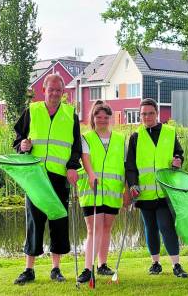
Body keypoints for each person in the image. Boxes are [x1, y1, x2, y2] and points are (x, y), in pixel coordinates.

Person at [13, 73, 82, 285]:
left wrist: (72, 167)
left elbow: (76, 148)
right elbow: (18, 141)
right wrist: (22, 146)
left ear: (63, 92)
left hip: (60, 177)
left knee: (58, 220)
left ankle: (56, 269)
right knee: (34, 221)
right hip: (35, 177)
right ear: (43, 90)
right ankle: (29, 269)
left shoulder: (71, 115)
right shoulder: (31, 111)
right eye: (50, 89)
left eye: (58, 90)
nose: (54, 93)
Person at [125, 98, 188, 278]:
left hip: (164, 191)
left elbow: (179, 153)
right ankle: (155, 263)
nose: (147, 117)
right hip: (144, 193)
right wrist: (133, 185)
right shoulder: (135, 137)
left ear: (157, 113)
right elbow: (130, 166)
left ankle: (176, 265)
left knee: (166, 226)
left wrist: (178, 160)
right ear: (140, 115)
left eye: (150, 113)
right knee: (150, 228)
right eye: (143, 114)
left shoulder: (169, 132)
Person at [76, 100, 126, 284]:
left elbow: (126, 164)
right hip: (92, 190)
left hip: (113, 192)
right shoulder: (86, 138)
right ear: (93, 118)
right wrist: (91, 175)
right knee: (93, 229)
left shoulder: (120, 139)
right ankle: (88, 269)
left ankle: (102, 264)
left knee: (106, 228)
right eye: (99, 116)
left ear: (110, 119)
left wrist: (127, 189)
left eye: (106, 117)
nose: (102, 120)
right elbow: (86, 159)